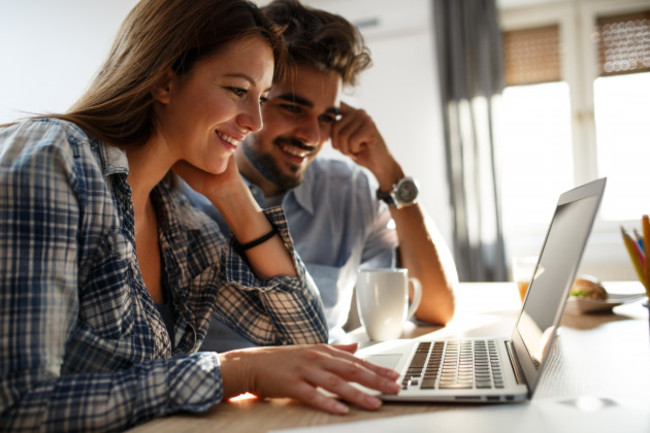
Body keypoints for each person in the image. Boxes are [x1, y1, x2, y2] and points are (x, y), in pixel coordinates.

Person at [0, 0, 402, 430]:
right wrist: (234, 371)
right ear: (164, 80)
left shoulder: (175, 217)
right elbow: (19, 405)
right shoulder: (54, 158)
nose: (254, 121)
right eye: (237, 90)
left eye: (263, 99)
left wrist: (233, 196)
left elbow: (305, 337)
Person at [183, 0, 458, 352]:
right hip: (224, 398)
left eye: (328, 117)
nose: (313, 137)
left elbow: (438, 307)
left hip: (330, 393)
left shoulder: (348, 190)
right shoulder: (178, 191)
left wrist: (389, 171)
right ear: (249, 97)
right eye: (293, 107)